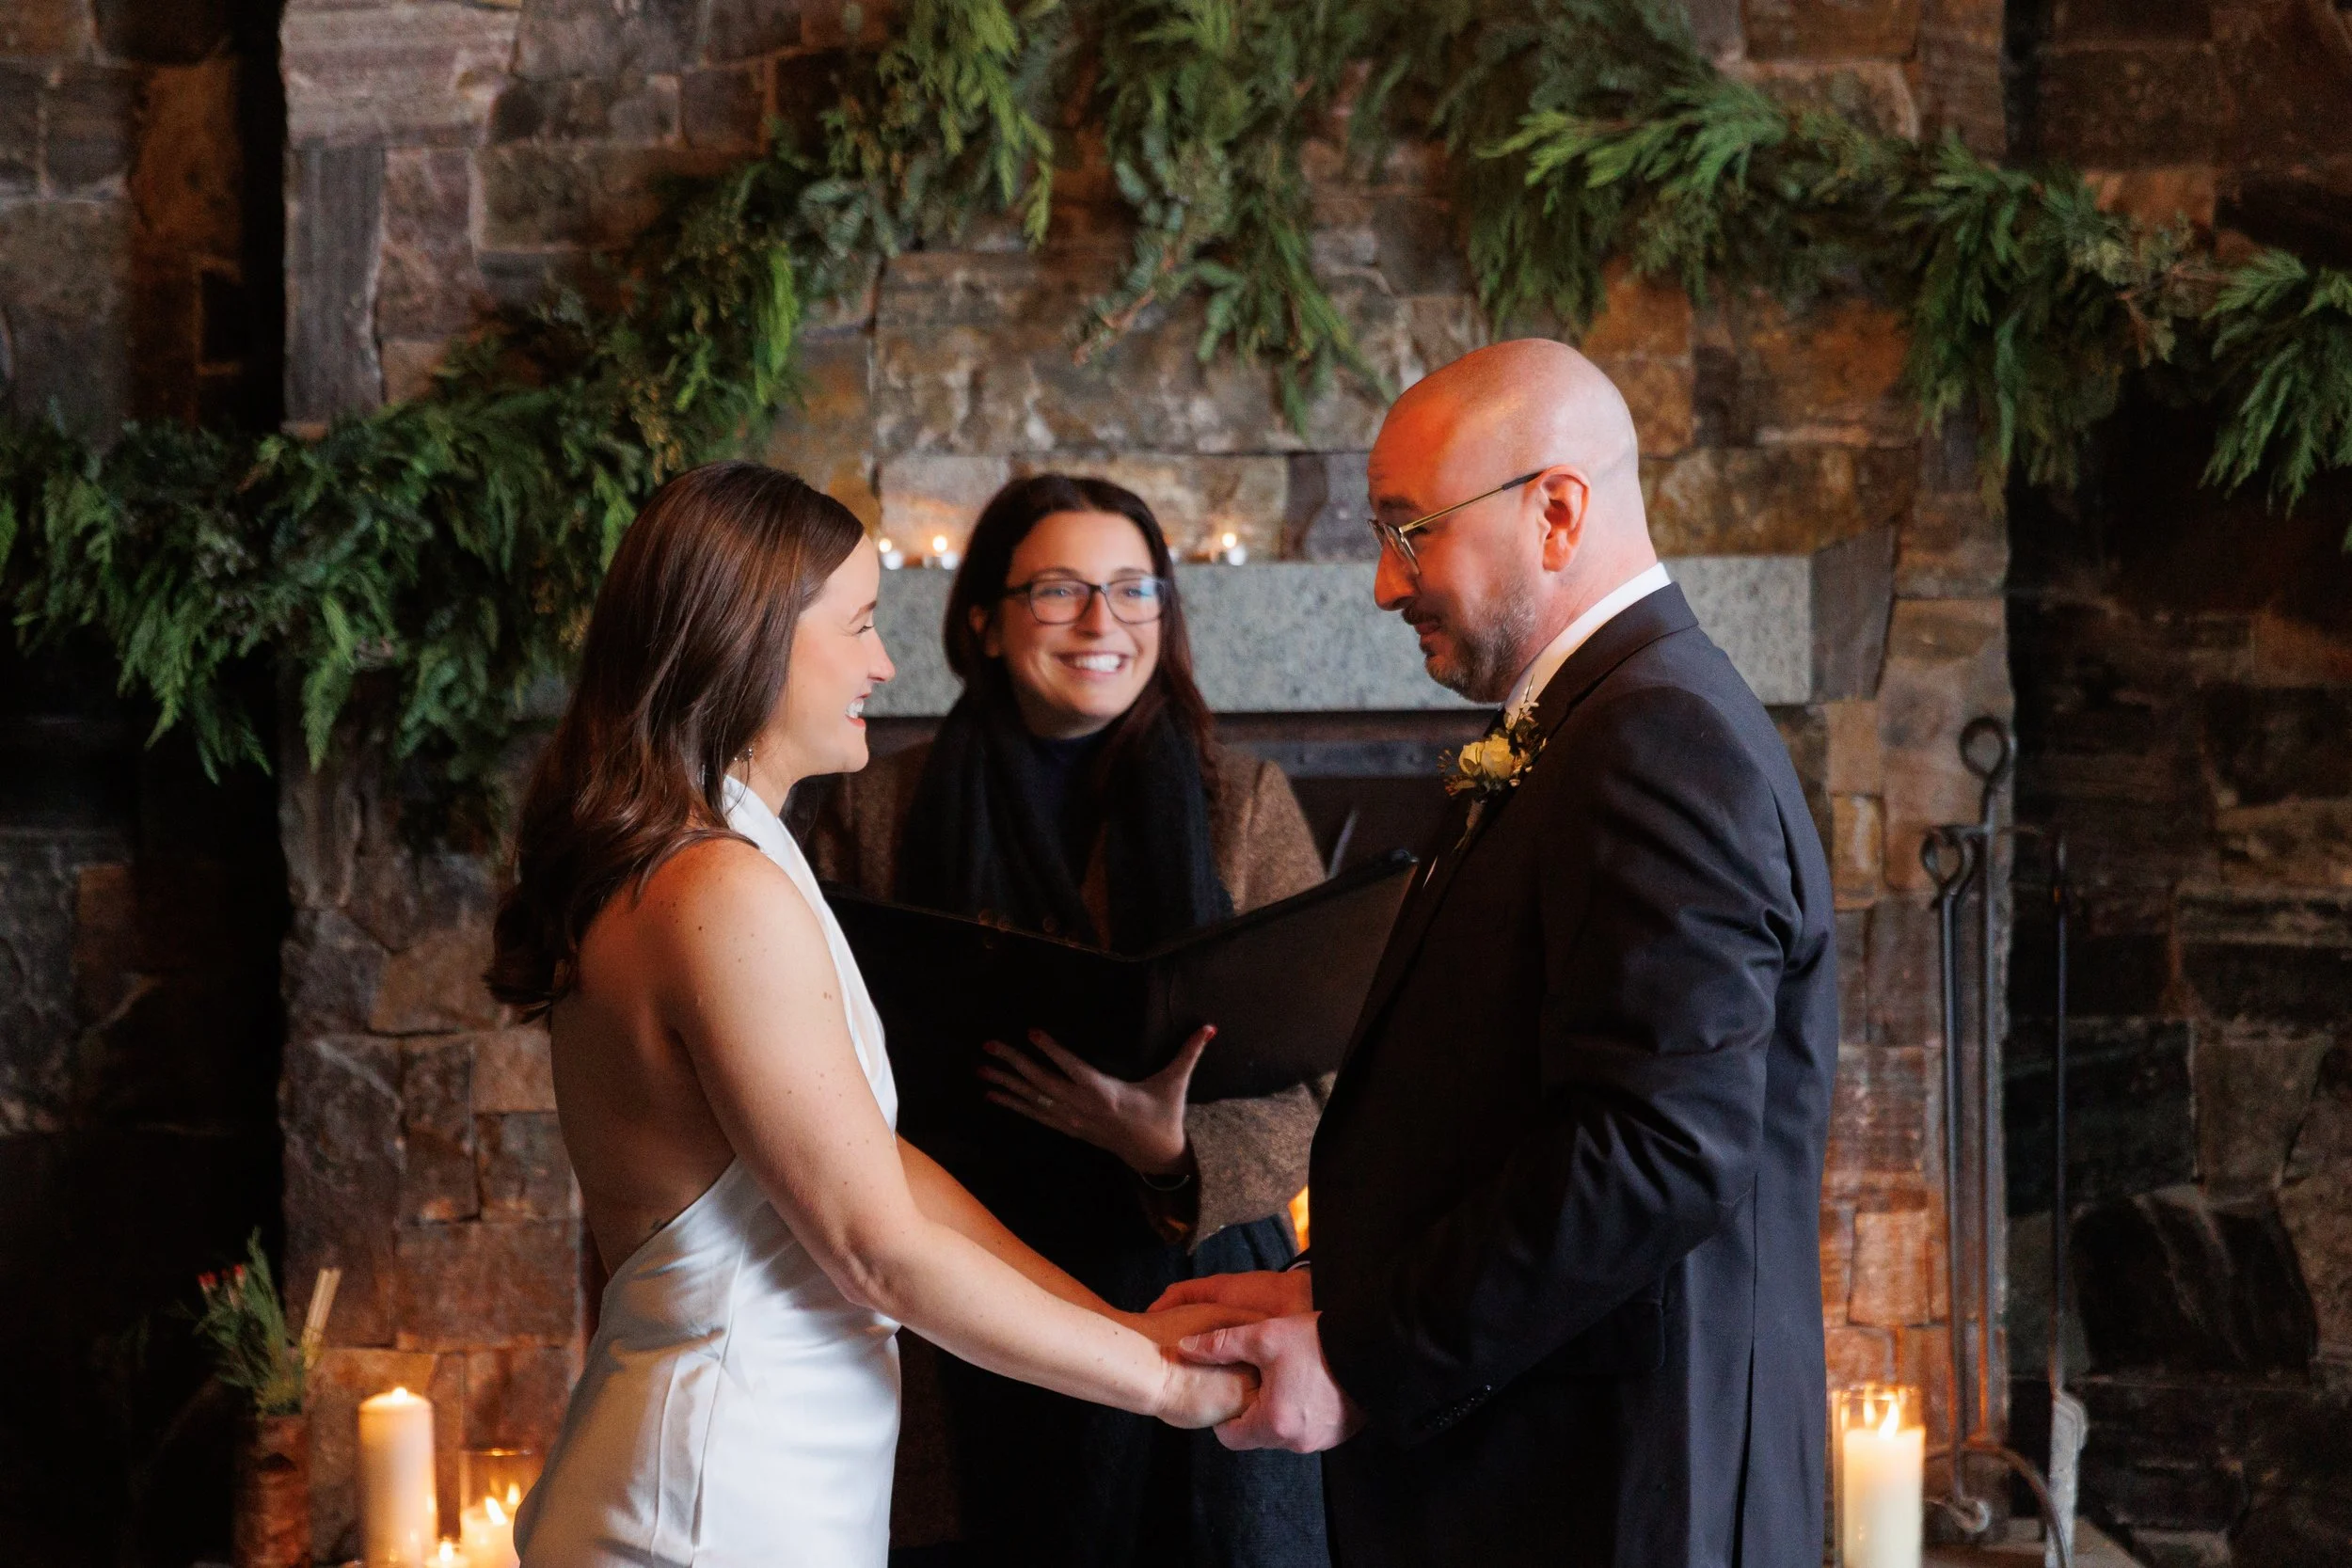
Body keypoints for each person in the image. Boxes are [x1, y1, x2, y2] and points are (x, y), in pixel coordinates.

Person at [484, 462, 1258, 1568]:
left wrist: (1122, 1324)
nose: (885, 663)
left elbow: (882, 1174)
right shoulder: (716, 889)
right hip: (718, 1494)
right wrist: (1163, 1383)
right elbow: (875, 1250)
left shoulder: (736, 851)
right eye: (857, 623)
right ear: (748, 639)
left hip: (767, 1473)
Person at [1157, 341, 1840, 1568]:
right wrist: (1336, 1284)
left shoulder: (1657, 739)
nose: (1381, 581)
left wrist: (1369, 1355)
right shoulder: (1602, 723)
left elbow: (1657, 1146)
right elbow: (1508, 1111)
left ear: (1558, 509)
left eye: (1408, 530)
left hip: (1610, 1495)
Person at [808, 473, 1333, 1568]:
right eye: (1058, 590)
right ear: (983, 622)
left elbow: (1324, 1081)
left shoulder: (1241, 801)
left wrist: (1167, 1147)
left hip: (1193, 1275)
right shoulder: (873, 803)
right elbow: (821, 1056)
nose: (1103, 622)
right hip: (962, 1288)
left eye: (1134, 589)